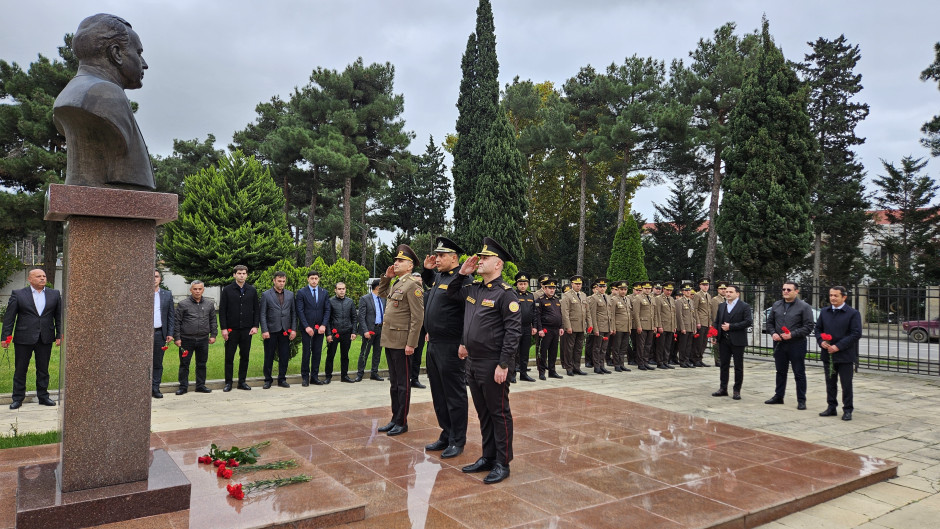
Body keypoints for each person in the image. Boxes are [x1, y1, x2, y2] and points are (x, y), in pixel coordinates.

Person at [447, 237, 521, 485]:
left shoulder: (505, 294)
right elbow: (451, 293)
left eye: (485, 258)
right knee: (483, 413)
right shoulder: (474, 288)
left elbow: (513, 332)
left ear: (498, 264)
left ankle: (503, 462)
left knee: (499, 413)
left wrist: (503, 364)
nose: (479, 260)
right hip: (473, 361)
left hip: (493, 364)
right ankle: (488, 457)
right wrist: (461, 273)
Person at [53, 14, 154, 189]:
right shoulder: (103, 94)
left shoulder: (69, 93)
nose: (144, 64)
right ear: (116, 53)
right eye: (138, 53)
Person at [421, 237, 472, 459]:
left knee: (454, 393)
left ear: (454, 258)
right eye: (437, 255)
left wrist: (464, 342)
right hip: (434, 343)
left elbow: (469, 315)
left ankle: (458, 439)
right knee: (438, 392)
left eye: (442, 256)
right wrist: (426, 271)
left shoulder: (464, 280)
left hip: (452, 345)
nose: (437, 258)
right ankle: (446, 432)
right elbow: (433, 297)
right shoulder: (440, 276)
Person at [376, 244, 425, 437]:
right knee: (395, 383)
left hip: (403, 342)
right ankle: (395, 418)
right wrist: (386, 278)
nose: (395, 263)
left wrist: (411, 344)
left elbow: (418, 317)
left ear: (410, 266)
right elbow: (381, 294)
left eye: (400, 261)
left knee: (403, 384)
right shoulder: (397, 282)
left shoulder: (413, 285)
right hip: (390, 339)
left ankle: (402, 422)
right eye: (395, 260)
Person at [2, 268, 62, 408]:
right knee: (20, 369)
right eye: (38, 276)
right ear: (30, 279)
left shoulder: (54, 294)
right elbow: (9, 318)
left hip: (45, 338)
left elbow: (58, 317)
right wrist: (6, 337)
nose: (42, 278)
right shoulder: (18, 294)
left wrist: (59, 335)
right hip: (23, 338)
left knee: (43, 369)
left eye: (44, 276)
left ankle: (43, 396)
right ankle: (17, 398)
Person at [764, 281, 816, 409]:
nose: (785, 292)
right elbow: (770, 323)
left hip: (796, 344)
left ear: (796, 291)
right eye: (784, 289)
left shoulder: (804, 306)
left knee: (799, 372)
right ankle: (779, 396)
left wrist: (792, 334)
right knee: (780, 371)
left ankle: (801, 400)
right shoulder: (777, 305)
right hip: (779, 344)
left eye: (788, 290)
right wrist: (773, 333)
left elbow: (809, 326)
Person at [816, 286, 862, 421]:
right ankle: (831, 407)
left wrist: (838, 346)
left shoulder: (852, 313)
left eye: (836, 295)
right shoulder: (825, 312)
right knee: (830, 382)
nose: (832, 298)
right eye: (831, 295)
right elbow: (818, 329)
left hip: (845, 355)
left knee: (846, 384)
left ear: (844, 297)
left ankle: (847, 409)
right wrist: (821, 341)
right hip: (828, 354)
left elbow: (856, 333)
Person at [218, 265, 260, 392]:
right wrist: (224, 328)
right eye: (239, 273)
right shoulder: (227, 290)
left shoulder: (252, 290)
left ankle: (242, 381)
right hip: (232, 329)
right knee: (229, 356)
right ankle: (228, 383)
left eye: (244, 273)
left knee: (245, 356)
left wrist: (255, 326)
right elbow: (222, 311)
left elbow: (256, 310)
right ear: (234, 275)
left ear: (247, 275)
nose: (241, 275)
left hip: (247, 329)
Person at [173, 280, 217, 395]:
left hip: (203, 339)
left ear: (203, 290)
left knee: (202, 363)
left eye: (200, 289)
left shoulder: (209, 304)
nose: (197, 291)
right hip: (186, 339)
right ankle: (183, 387)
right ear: (191, 290)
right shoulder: (183, 304)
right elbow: (177, 322)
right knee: (184, 364)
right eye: (195, 289)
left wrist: (213, 335)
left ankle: (200, 385)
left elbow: (213, 320)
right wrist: (177, 338)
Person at [711, 284, 752, 400]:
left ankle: (736, 390)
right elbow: (717, 321)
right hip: (723, 340)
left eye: (730, 292)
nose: (727, 293)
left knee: (738, 366)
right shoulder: (722, 305)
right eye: (726, 292)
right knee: (724, 365)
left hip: (738, 340)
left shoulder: (744, 306)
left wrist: (731, 326)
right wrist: (715, 335)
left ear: (737, 294)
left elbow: (748, 321)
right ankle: (723, 388)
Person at [260, 271, 297, 389]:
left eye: (283, 281)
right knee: (269, 355)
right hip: (271, 330)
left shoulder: (290, 295)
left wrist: (293, 330)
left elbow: (293, 313)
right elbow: (262, 314)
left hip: (285, 330)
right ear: (274, 281)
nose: (281, 283)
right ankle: (268, 380)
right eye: (279, 281)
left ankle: (282, 379)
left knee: (284, 355)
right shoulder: (266, 295)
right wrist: (264, 330)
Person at [296, 270, 331, 386]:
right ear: (308, 279)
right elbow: (300, 311)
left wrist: (323, 325)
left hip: (320, 328)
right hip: (307, 328)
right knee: (306, 352)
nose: (314, 280)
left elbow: (327, 310)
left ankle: (314, 377)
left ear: (319, 279)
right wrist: (306, 326)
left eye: (316, 278)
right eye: (312, 278)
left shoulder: (324, 292)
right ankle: (305, 377)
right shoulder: (301, 292)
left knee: (317, 352)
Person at [325, 282, 358, 383]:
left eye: (343, 289)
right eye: (339, 289)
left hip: (346, 333)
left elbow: (354, 318)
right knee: (330, 355)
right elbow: (327, 319)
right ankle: (328, 377)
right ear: (335, 290)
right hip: (334, 333)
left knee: (345, 356)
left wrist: (354, 332)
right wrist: (329, 334)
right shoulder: (330, 301)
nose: (341, 291)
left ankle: (344, 376)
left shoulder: (350, 302)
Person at [534, 278, 565, 380]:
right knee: (543, 352)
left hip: (555, 330)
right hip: (545, 330)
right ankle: (542, 372)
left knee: (553, 352)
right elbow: (537, 316)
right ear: (544, 288)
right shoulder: (540, 300)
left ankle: (552, 371)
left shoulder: (556, 300)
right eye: (550, 288)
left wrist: (561, 327)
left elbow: (559, 315)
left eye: (553, 288)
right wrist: (540, 329)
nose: (552, 290)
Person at [356, 280, 385, 382]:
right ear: (377, 287)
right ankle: (360, 373)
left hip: (380, 329)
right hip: (369, 330)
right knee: (364, 352)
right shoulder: (365, 299)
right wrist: (365, 330)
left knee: (377, 352)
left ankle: (374, 372)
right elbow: (361, 316)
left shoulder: (383, 299)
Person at [561, 275, 590, 376]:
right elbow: (565, 312)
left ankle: (576, 367)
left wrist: (589, 325)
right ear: (572, 284)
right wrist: (568, 326)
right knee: (569, 348)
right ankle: (569, 367)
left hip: (581, 326)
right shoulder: (567, 295)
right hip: (572, 326)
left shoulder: (583, 295)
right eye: (576, 284)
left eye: (580, 284)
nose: (578, 286)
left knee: (578, 348)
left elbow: (587, 311)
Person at [152, 269, 174, 398]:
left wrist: (170, 333)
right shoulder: (141, 294)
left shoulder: (167, 294)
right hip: (143, 336)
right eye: (151, 276)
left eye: (156, 276)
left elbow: (171, 315)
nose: (154, 278)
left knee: (157, 363)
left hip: (159, 334)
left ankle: (155, 388)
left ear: (160, 279)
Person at [511, 272, 537, 383]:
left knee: (525, 352)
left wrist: (534, 326)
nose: (523, 286)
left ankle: (523, 373)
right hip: (516, 327)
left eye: (525, 283)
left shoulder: (531, 296)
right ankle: (512, 374)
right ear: (517, 284)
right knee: (514, 352)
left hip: (527, 327)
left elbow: (534, 313)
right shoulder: (513, 295)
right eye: (520, 284)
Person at [587, 278, 613, 374]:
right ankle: (596, 366)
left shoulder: (608, 297)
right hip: (599, 326)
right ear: (597, 287)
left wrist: (611, 327)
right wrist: (595, 329)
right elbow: (593, 315)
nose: (602, 288)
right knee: (597, 347)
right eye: (600, 286)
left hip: (607, 326)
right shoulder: (594, 298)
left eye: (604, 286)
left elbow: (610, 313)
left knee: (604, 348)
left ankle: (602, 365)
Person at [632, 282, 658, 370]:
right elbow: (636, 313)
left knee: (648, 345)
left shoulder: (652, 298)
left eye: (649, 288)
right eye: (645, 288)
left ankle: (645, 361)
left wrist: (655, 325)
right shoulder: (638, 298)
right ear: (642, 288)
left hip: (650, 325)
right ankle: (640, 363)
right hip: (642, 325)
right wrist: (638, 326)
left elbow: (653, 313)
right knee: (641, 345)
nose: (647, 290)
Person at [409, 272, 428, 389]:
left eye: (419, 281)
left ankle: (414, 379)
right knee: (406, 355)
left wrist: (428, 331)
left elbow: (428, 313)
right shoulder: (407, 294)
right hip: (408, 329)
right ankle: (405, 377)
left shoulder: (425, 296)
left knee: (417, 355)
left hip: (421, 330)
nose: (417, 284)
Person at [608, 280, 632, 372]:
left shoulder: (627, 299)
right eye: (621, 289)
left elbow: (629, 314)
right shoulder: (614, 299)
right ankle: (616, 364)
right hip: (618, 327)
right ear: (617, 290)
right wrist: (613, 327)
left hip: (626, 327)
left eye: (625, 289)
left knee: (624, 347)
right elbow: (612, 315)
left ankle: (622, 364)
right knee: (616, 347)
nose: (623, 291)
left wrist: (629, 327)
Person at [654, 282, 677, 370]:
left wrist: (674, 325)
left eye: (670, 290)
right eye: (667, 290)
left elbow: (673, 314)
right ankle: (660, 362)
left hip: (670, 326)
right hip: (663, 325)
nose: (669, 292)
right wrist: (659, 325)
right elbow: (658, 313)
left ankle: (665, 361)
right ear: (663, 289)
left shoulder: (671, 299)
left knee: (668, 345)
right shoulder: (659, 299)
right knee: (661, 345)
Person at [676, 284, 698, 368]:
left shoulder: (691, 301)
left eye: (689, 290)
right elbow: (679, 315)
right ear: (682, 292)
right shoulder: (680, 301)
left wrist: (694, 327)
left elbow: (693, 316)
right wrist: (682, 328)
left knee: (689, 345)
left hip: (690, 326)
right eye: (686, 290)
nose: (688, 292)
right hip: (684, 326)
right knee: (683, 345)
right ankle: (682, 361)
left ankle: (687, 360)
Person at [692, 279, 712, 367]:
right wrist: (698, 321)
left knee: (704, 342)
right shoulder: (697, 295)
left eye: (707, 285)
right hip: (701, 321)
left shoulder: (709, 295)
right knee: (698, 342)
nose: (705, 286)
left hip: (707, 322)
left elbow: (709, 310)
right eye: (703, 285)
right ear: (700, 286)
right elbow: (695, 309)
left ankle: (700, 359)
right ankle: (695, 359)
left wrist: (710, 322)